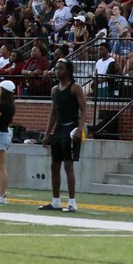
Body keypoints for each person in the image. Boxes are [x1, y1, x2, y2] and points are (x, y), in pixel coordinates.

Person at [40, 60, 87, 212]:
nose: (57, 71)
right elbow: (53, 113)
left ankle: (72, 202)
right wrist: (47, 134)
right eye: (56, 68)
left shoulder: (75, 87)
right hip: (59, 129)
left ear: (68, 71)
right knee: (54, 165)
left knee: (68, 165)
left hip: (71, 129)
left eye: (60, 69)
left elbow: (84, 110)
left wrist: (79, 130)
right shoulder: (55, 90)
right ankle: (55, 201)